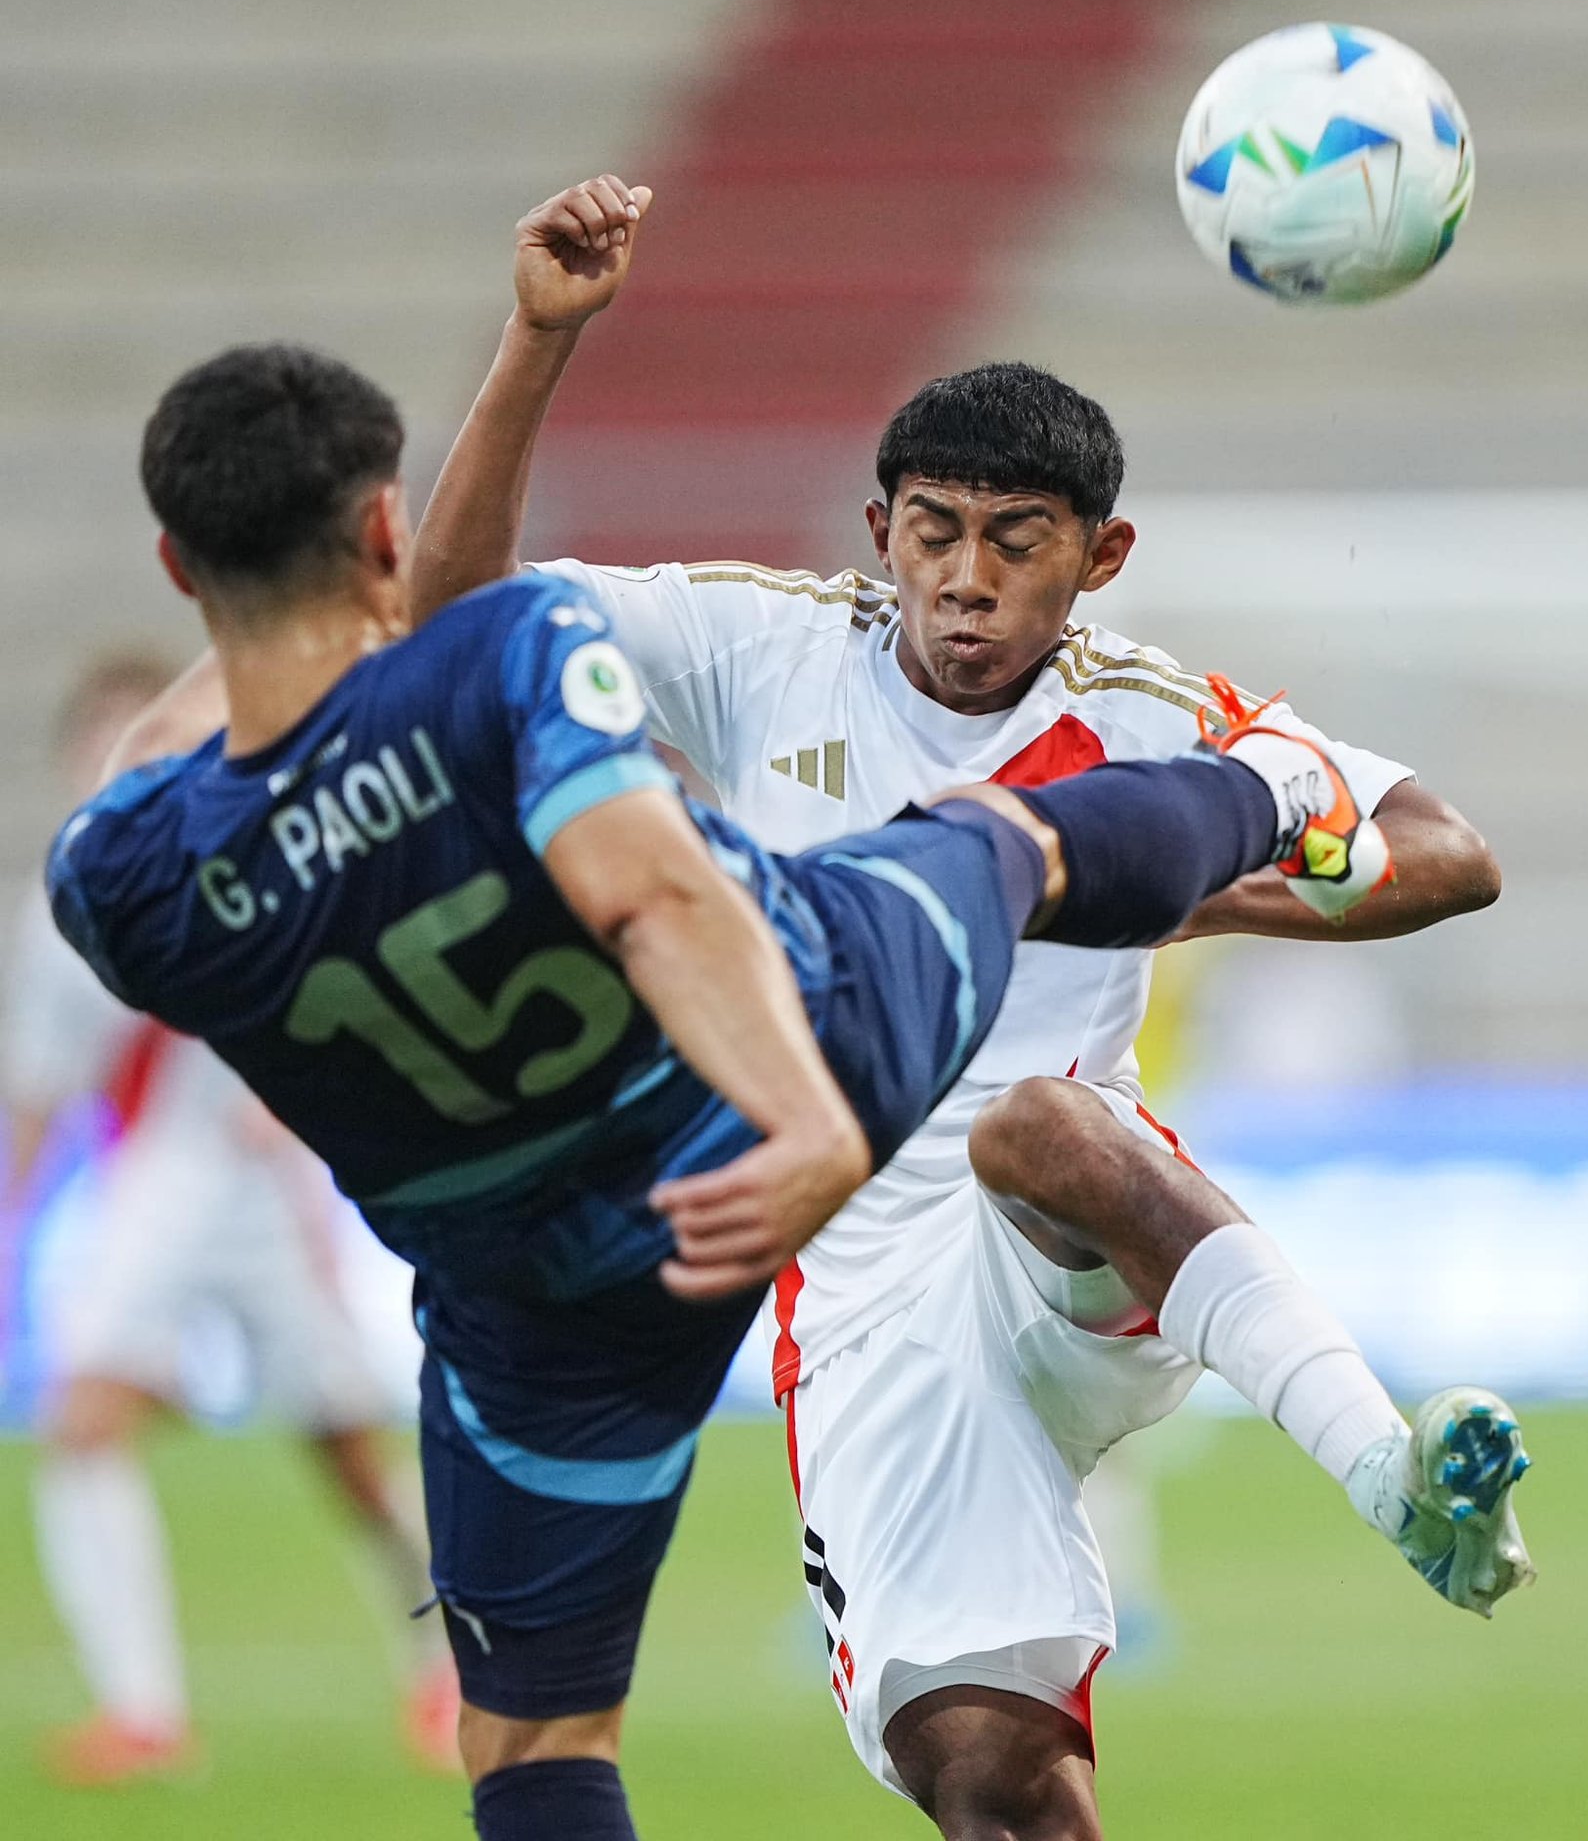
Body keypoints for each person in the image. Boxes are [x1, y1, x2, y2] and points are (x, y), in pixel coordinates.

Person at [43, 186, 1394, 1841]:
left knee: (538, 1754)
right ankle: (1267, 795)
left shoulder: (117, 875)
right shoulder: (514, 656)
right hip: (763, 1105)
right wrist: (815, 1119)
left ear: (179, 564)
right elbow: (651, 891)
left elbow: (163, 774)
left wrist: (262, 632)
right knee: (1003, 837)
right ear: (387, 533)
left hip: (539, 1294)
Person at [413, 181, 1536, 1839]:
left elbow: (1448, 853)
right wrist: (536, 338)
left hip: (1071, 1241)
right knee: (996, 1784)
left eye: (1018, 543)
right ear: (881, 533)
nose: (966, 580)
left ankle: (1393, 1478)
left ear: (1100, 556)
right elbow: (445, 633)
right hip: (866, 1300)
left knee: (1041, 1123)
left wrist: (1184, 881)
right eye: (934, 530)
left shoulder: (1156, 715)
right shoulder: (759, 649)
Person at [1, 653, 460, 1785]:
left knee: (349, 1454)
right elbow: (41, 1085)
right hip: (151, 1184)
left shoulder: (276, 858)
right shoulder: (59, 904)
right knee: (80, 1420)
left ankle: (450, 1669)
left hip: (265, 1189)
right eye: (100, 740)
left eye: (140, 735)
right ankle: (143, 1711)